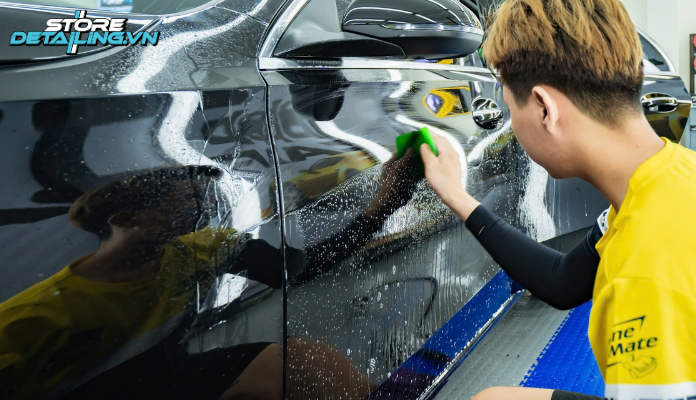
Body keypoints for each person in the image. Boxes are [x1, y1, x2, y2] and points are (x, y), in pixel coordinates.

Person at [418, 0, 696, 399]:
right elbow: (563, 281)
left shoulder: (649, 267)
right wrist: (458, 197)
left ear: (545, 109)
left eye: (512, 109)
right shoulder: (675, 174)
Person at [0, 152, 422, 400]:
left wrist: (381, 206)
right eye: (189, 203)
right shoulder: (32, 317)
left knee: (301, 364)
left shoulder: (198, 249)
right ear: (128, 220)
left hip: (161, 377)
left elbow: (298, 268)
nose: (205, 211)